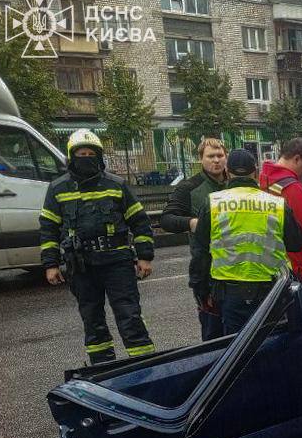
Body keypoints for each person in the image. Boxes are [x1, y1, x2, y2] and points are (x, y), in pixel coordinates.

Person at [39, 129, 156, 364]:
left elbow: (140, 222)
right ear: (72, 157)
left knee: (129, 315)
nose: (86, 157)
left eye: (91, 153)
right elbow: (48, 229)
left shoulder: (116, 184)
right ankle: (102, 369)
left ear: (99, 156)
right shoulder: (58, 189)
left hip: (117, 263)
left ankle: (144, 366)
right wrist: (51, 264)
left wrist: (145, 257)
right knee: (92, 320)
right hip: (82, 266)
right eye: (81, 153)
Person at [192, 149, 302, 334]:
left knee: (235, 350)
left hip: (228, 292)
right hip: (272, 291)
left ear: (227, 172)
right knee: (270, 346)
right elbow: (297, 243)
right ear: (255, 172)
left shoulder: (212, 203)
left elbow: (200, 252)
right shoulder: (276, 203)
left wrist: (201, 290)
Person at [160, 138, 229, 340]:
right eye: (210, 156)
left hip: (239, 269)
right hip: (207, 271)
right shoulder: (190, 187)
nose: (216, 161)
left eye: (220, 156)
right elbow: (166, 219)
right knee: (213, 333)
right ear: (201, 159)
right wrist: (191, 222)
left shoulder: (236, 184)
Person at [259, 137, 302, 289]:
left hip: (274, 256)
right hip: (297, 262)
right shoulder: (292, 187)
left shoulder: (265, 179)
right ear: (297, 159)